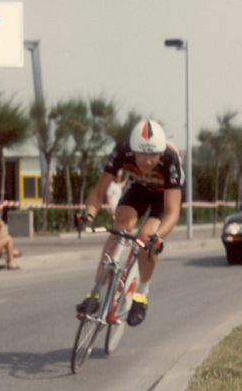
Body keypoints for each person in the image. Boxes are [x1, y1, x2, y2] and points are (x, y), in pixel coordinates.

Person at [76, 119, 184, 326]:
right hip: (139, 189)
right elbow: (99, 192)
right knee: (119, 230)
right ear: (132, 150)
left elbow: (172, 212)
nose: (147, 161)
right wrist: (88, 214)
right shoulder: (122, 151)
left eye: (153, 154)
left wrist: (157, 237)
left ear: (161, 152)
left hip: (165, 197)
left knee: (145, 240)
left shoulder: (170, 158)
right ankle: (96, 294)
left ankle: (141, 295)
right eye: (141, 154)